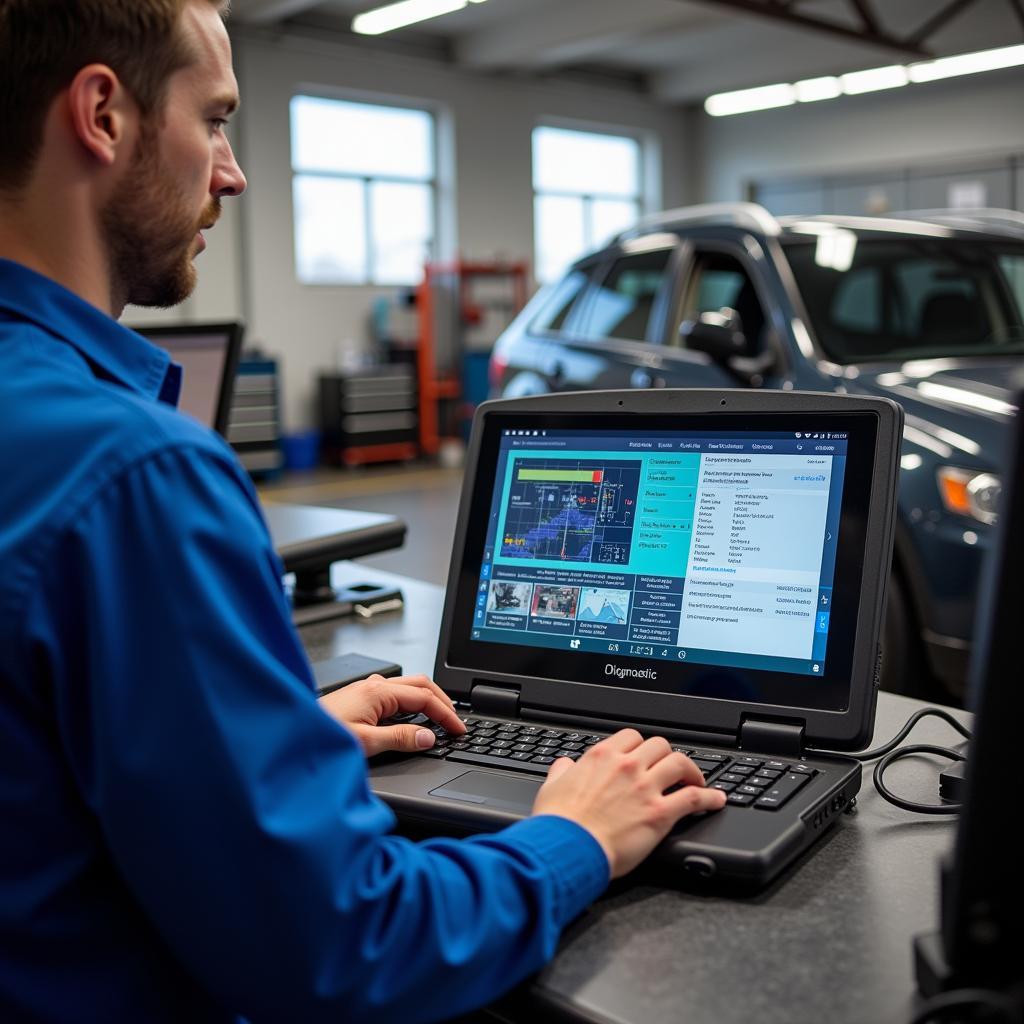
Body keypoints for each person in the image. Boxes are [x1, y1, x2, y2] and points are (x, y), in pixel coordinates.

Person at [0, 2, 726, 1021]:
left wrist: (264, 746)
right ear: (103, 114)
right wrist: (575, 837)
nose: (233, 171)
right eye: (213, 119)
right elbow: (345, 946)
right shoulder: (135, 474)